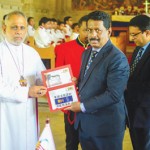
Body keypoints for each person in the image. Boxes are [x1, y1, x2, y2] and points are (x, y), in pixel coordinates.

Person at [65, 10, 129, 150]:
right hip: (86, 123)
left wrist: (81, 106)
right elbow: (90, 79)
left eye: (98, 30)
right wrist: (78, 81)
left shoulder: (117, 58)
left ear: (109, 31)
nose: (93, 35)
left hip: (105, 127)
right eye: (89, 30)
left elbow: (113, 94)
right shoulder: (87, 52)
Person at [0, 11, 47, 150]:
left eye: (22, 28)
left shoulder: (32, 52)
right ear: (4, 28)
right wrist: (27, 92)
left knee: (29, 143)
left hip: (29, 112)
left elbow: (42, 77)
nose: (19, 32)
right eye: (14, 27)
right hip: (6, 113)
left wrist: (58, 83)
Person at [55, 15, 89, 150]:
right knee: (71, 142)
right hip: (71, 102)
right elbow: (57, 77)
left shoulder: (100, 49)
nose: (89, 34)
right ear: (78, 29)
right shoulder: (64, 48)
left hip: (93, 104)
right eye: (86, 30)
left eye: (93, 30)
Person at [125, 15, 150, 150]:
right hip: (133, 109)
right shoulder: (138, 49)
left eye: (135, 35)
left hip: (146, 112)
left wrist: (127, 86)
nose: (131, 38)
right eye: (131, 34)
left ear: (147, 32)